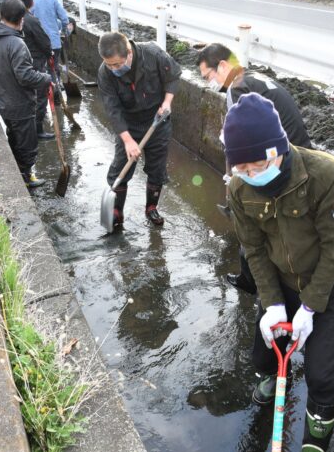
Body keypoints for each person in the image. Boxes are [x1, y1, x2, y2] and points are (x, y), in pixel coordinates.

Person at [223, 92, 334, 452]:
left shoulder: (327, 177)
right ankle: (269, 377)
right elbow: (255, 251)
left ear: (278, 151)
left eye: (257, 165)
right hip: (282, 279)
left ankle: (314, 451)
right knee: (265, 350)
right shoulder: (239, 188)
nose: (249, 174)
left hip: (332, 283)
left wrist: (310, 308)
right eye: (241, 168)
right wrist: (273, 306)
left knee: (320, 373)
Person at [198, 43, 312, 293]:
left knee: (251, 217)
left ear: (224, 66)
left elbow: (239, 141)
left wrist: (234, 177)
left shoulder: (237, 90)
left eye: (210, 76)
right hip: (302, 154)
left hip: (281, 162)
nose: (210, 83)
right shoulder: (254, 79)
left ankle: (251, 280)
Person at [97, 32, 181, 226]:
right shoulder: (105, 72)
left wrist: (167, 102)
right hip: (129, 124)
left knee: (157, 168)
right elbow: (112, 109)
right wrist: (127, 141)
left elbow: (173, 76)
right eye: (109, 64)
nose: (113, 69)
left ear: (128, 53)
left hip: (157, 120)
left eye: (117, 64)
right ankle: (116, 211)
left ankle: (151, 208)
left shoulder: (153, 54)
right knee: (120, 167)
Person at [0, 0, 52, 188]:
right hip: (20, 104)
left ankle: (18, 170)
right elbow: (25, 76)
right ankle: (26, 177)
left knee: (13, 134)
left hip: (1, 100)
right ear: (21, 20)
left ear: (1, 15)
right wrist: (45, 78)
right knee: (27, 142)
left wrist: (1, 79)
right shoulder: (16, 44)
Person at [16, 0, 54, 140]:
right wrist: (49, 53)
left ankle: (29, 128)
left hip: (21, 62)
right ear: (31, 3)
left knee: (26, 96)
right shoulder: (31, 20)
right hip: (35, 62)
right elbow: (44, 42)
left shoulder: (16, 18)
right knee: (40, 97)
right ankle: (37, 130)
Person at [31, 0, 68, 97]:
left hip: (39, 43)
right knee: (54, 67)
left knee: (41, 69)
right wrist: (64, 30)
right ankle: (57, 89)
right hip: (54, 41)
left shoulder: (31, 0)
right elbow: (64, 18)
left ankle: (48, 94)